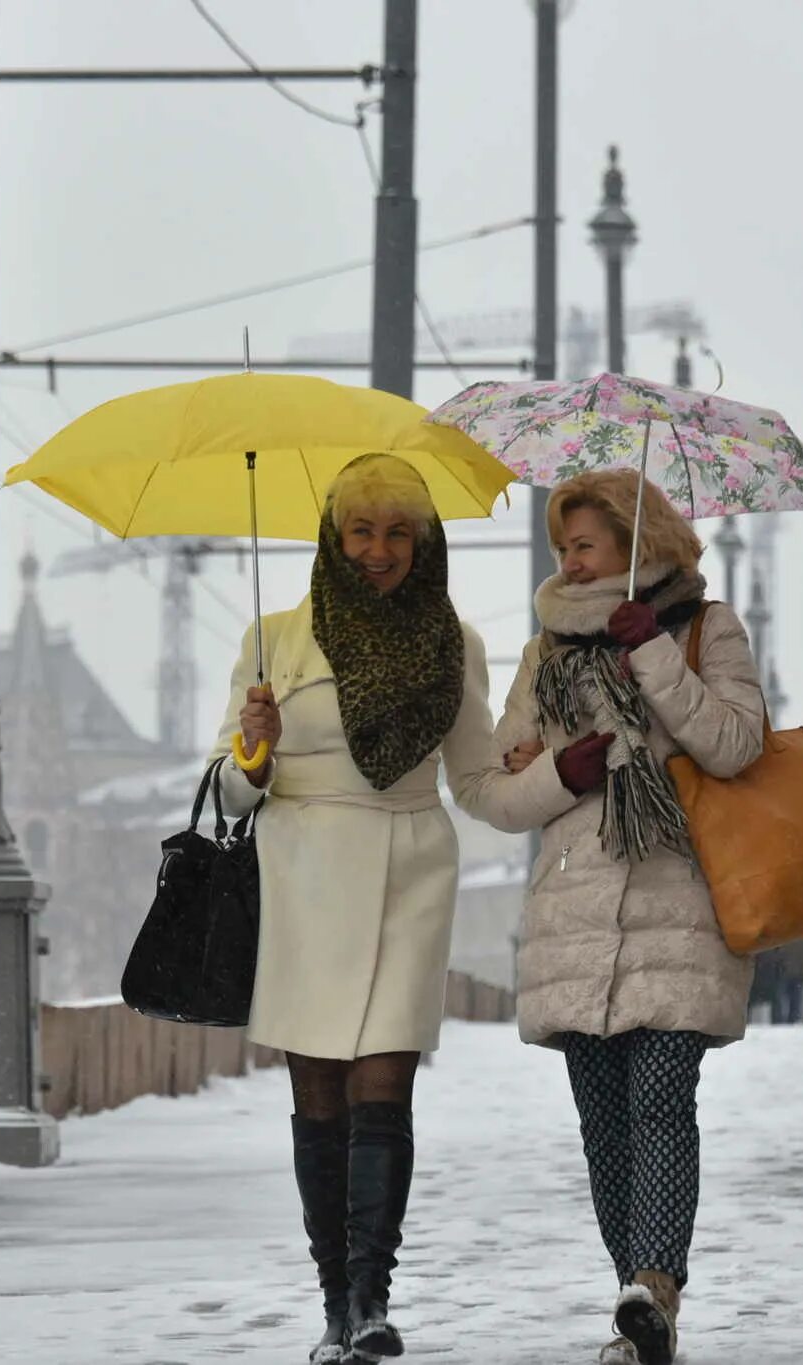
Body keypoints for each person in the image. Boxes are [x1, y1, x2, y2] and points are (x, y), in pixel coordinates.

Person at [211, 453, 562, 1365]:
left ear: (423, 541)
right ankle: (336, 1303)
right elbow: (225, 792)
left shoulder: (454, 642)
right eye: (361, 532)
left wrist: (553, 773)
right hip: (301, 878)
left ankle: (372, 1296)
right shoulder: (274, 639)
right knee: (318, 1095)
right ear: (334, 538)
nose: (378, 551)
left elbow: (478, 785)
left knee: (384, 1084)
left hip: (409, 868)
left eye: (397, 533)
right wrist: (254, 751)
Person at [490, 469, 765, 1365]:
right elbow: (501, 790)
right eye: (561, 546)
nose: (566, 562)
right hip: (576, 914)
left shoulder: (705, 628)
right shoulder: (545, 652)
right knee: (603, 1123)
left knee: (659, 1100)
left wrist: (651, 652)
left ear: (637, 546)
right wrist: (556, 774)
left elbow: (734, 743)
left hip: (677, 904)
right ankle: (641, 1312)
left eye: (583, 544)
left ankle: (653, 1284)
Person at [773, 937, 803, 1024]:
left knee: (780, 999)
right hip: (800, 975)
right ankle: (793, 1020)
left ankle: (779, 1020)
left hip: (785, 974)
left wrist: (778, 968)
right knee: (796, 1000)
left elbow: (777, 955)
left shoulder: (785, 938)